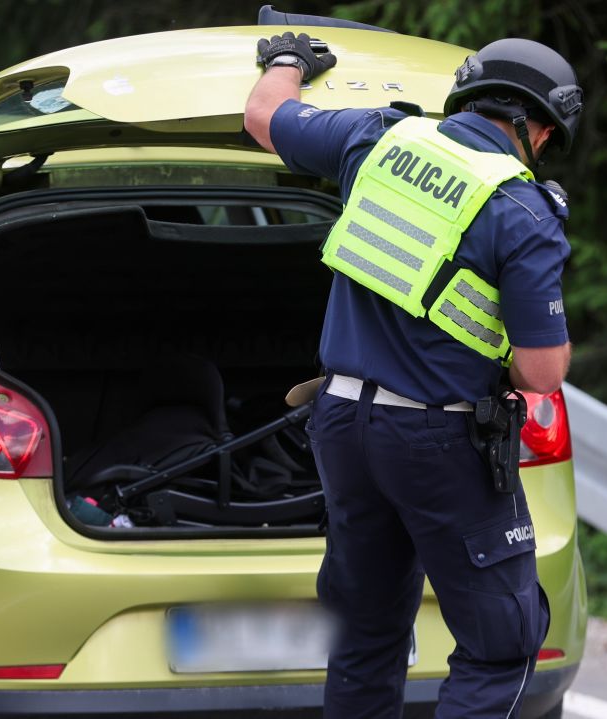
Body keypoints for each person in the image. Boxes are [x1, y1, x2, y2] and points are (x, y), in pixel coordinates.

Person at [244, 31, 582, 718]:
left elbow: (262, 116)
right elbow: (542, 371)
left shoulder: (378, 138)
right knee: (500, 648)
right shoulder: (523, 211)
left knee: (364, 638)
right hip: (438, 443)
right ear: (540, 129)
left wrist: (288, 61)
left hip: (342, 424)